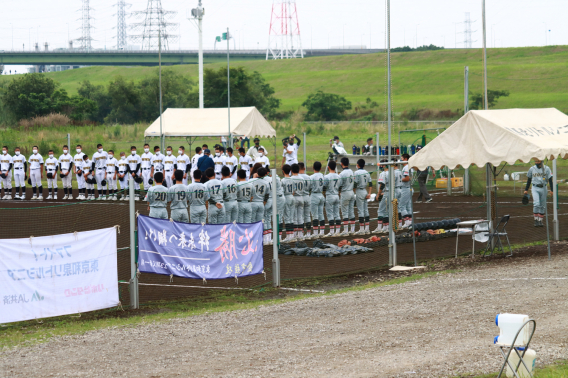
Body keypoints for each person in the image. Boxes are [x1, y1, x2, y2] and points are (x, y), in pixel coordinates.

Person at [524, 158, 553, 227]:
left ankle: (540, 221)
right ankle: (536, 220)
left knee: (542, 205)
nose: (536, 162)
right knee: (536, 204)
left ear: (541, 161)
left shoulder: (547, 168)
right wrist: (526, 189)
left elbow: (550, 180)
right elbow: (529, 179)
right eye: (535, 161)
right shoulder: (532, 169)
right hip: (535, 187)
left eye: (538, 161)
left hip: (544, 188)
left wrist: (552, 190)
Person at [353, 159, 372, 234]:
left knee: (360, 210)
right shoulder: (367, 172)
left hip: (359, 191)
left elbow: (355, 184)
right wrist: (369, 193)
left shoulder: (356, 172)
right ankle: (367, 229)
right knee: (365, 210)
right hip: (365, 191)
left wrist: (353, 192)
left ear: (357, 165)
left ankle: (361, 229)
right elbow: (370, 184)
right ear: (364, 165)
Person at [338, 157, 355, 235]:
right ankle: (352, 230)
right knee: (351, 211)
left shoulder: (342, 174)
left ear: (341, 164)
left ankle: (345, 231)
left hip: (345, 193)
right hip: (352, 192)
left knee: (344, 212)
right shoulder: (351, 171)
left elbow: (339, 185)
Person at [324, 160, 341, 236]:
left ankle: (331, 232)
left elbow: (324, 187)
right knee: (337, 214)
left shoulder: (327, 176)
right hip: (336, 195)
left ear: (328, 167)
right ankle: (337, 231)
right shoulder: (338, 176)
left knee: (330, 214)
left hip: (330, 196)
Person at [309, 161, 326, 237]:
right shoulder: (322, 176)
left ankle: (315, 233)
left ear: (313, 167)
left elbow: (309, 187)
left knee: (314, 215)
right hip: (321, 195)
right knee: (321, 214)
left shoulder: (311, 177)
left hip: (314, 196)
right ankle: (322, 232)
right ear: (320, 168)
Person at [281, 164, 296, 241]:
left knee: (287, 217)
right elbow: (294, 191)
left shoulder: (282, 180)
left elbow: (281, 191)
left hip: (286, 197)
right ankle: (292, 235)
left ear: (283, 171)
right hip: (292, 197)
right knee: (291, 217)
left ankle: (288, 236)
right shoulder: (292, 179)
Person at [290, 163, 305, 239]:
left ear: (291, 170)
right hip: (301, 197)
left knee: (294, 217)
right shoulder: (302, 178)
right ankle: (301, 234)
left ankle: (295, 235)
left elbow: (292, 191)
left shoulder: (291, 178)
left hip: (295, 197)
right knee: (300, 216)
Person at [298, 162, 312, 237]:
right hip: (307, 196)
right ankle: (309, 233)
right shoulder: (308, 177)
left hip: (300, 196)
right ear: (304, 168)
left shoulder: (297, 177)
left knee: (300, 216)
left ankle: (301, 233)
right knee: (307, 216)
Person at [399, 153, 413, 228]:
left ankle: (407, 222)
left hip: (406, 188)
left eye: (402, 158)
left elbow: (407, 178)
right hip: (409, 188)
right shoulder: (409, 167)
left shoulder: (406, 167)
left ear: (405, 159)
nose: (401, 160)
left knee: (402, 206)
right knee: (408, 206)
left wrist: (400, 180)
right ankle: (410, 222)